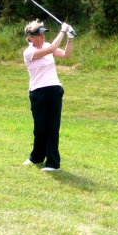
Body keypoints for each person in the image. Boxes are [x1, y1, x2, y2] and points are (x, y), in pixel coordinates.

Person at [22, 20, 75, 171]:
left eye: (43, 33)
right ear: (30, 38)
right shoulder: (29, 52)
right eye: (39, 35)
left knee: (53, 128)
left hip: (54, 90)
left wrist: (70, 38)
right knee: (40, 128)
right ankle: (36, 157)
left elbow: (65, 55)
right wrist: (63, 31)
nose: (43, 37)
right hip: (38, 92)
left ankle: (53, 163)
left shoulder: (47, 45)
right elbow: (53, 47)